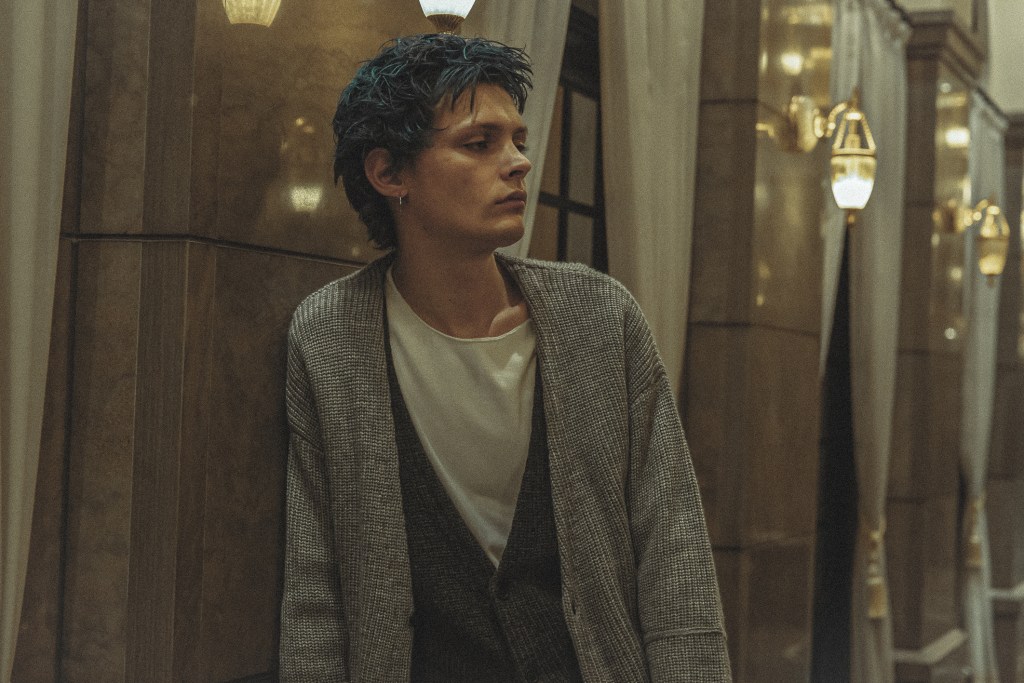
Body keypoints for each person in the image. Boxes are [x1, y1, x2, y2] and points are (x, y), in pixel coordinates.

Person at [279, 33, 731, 682]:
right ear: (389, 174)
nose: (518, 162)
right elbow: (314, 587)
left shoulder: (598, 319)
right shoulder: (330, 338)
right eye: (479, 143)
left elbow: (673, 548)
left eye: (518, 139)